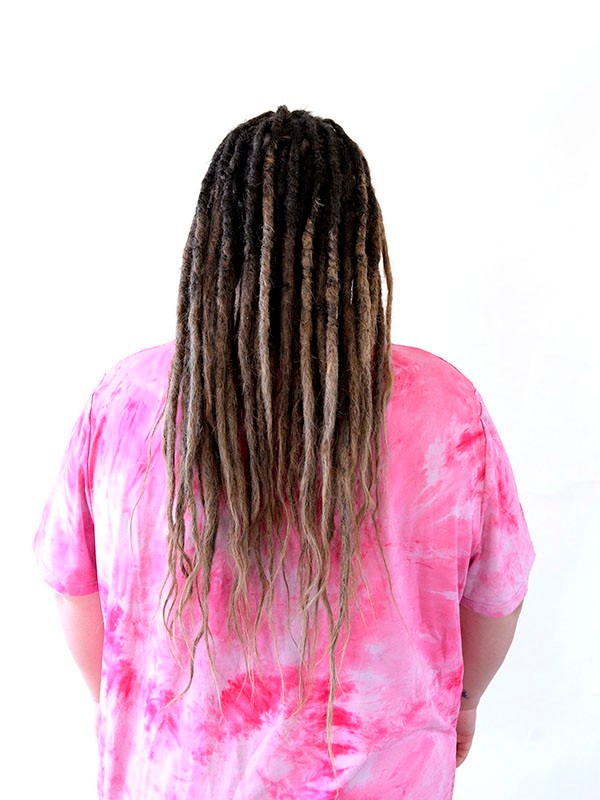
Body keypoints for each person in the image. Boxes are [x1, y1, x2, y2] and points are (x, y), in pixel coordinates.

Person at [34, 107, 535, 799]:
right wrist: (466, 702)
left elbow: (75, 590)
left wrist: (143, 710)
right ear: (358, 247)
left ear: (211, 245)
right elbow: (498, 593)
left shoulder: (123, 403)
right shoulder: (446, 411)